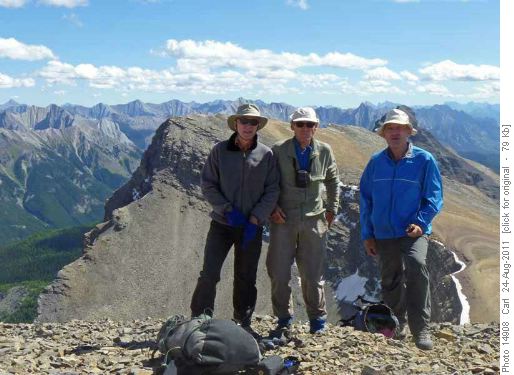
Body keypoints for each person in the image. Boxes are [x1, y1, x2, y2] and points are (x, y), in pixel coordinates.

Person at [190, 103, 280, 333]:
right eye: (244, 121)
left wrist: (256, 218)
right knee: (210, 272)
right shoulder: (219, 151)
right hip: (222, 224)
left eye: (252, 122)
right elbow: (208, 184)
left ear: (257, 125)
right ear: (236, 124)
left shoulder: (266, 154)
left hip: (251, 226)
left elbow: (272, 189)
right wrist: (226, 209)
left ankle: (243, 320)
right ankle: (200, 319)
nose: (248, 126)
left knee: (246, 276)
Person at [359, 107, 443, 350]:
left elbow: (434, 197)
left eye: (400, 128)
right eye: (390, 128)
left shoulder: (424, 160)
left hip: (412, 230)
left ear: (409, 132)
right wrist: (368, 234)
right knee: (390, 277)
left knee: (417, 266)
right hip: (383, 232)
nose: (395, 132)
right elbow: (366, 199)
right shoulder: (376, 163)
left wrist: (422, 222)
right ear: (384, 133)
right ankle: (396, 325)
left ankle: (421, 328)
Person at [266, 107, 339, 337]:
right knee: (279, 273)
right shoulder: (279, 150)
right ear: (292, 127)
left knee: (312, 274)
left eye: (310, 124)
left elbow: (333, 181)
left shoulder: (325, 151)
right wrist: (273, 208)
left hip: (314, 221)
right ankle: (283, 319)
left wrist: (332, 209)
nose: (305, 129)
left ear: (316, 127)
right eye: (300, 124)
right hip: (283, 220)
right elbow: (268, 182)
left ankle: (317, 321)